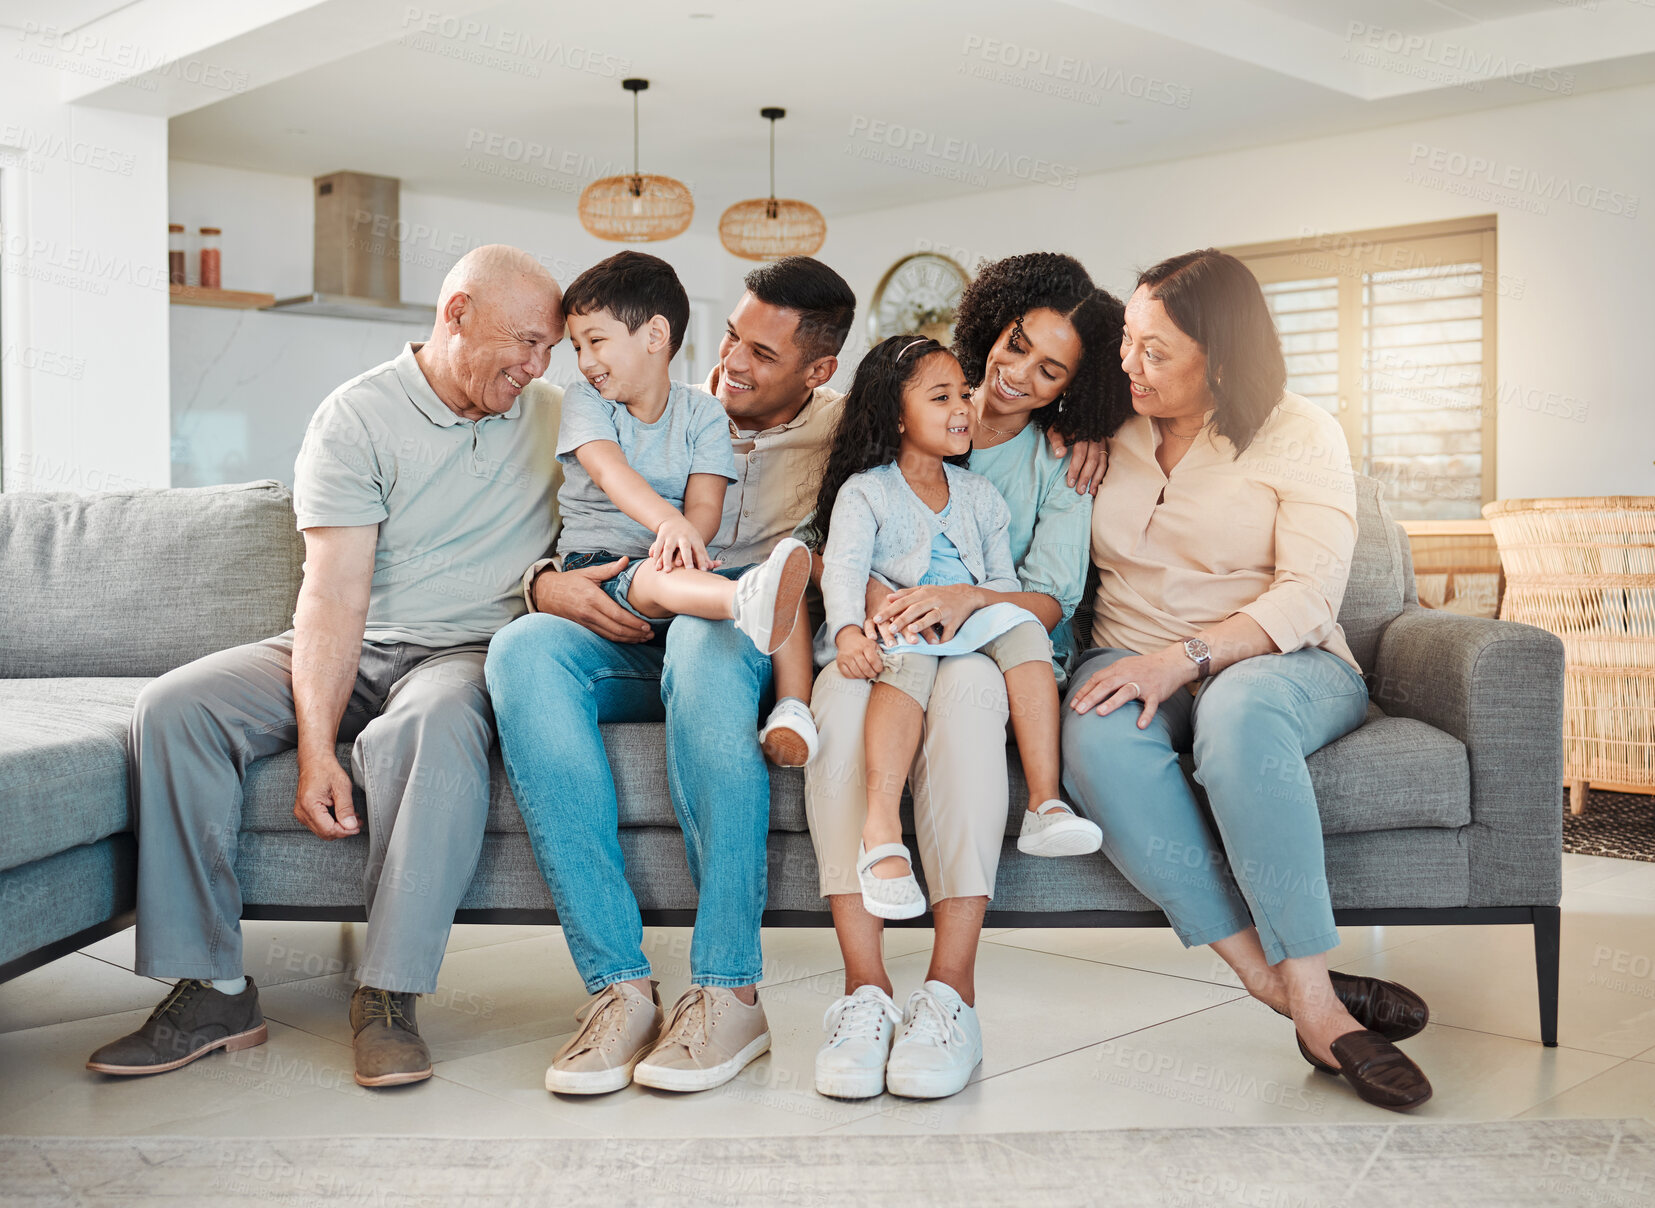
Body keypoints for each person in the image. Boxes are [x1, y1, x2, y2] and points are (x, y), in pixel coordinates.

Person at [87, 245, 566, 1088]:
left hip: (461, 653)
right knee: (174, 707)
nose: (535, 366)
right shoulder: (358, 417)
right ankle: (215, 989)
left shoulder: (556, 416)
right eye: (522, 342)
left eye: (548, 349)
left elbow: (666, 431)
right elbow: (334, 596)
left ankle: (386, 994)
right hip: (357, 633)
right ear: (455, 315)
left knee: (431, 723)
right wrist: (316, 752)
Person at [1061, 248, 1433, 1112]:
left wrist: (1185, 659)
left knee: (1234, 723)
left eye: (1156, 352)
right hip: (1127, 652)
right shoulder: (1103, 422)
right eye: (1127, 340)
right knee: (1096, 738)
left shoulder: (1298, 429)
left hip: (1278, 659)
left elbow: (1307, 593)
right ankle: (1283, 992)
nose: (1128, 365)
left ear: (1219, 360)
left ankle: (1316, 1006)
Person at [485, 257, 857, 1096]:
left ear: (818, 370)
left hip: (733, 632)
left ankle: (729, 989)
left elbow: (953, 416)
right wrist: (547, 584)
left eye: (761, 353)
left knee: (703, 637)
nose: (730, 360)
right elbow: (585, 500)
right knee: (521, 650)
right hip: (619, 606)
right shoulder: (647, 402)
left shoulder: (845, 428)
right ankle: (617, 988)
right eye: (730, 334)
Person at [804, 253, 1132, 1101]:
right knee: (842, 705)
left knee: (972, 702)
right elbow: (831, 542)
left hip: (990, 644)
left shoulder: (1061, 461)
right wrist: (869, 602)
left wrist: (964, 597)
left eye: (1049, 369)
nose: (1015, 374)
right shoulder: (896, 407)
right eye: (1015, 344)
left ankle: (950, 994)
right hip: (882, 635)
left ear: (1071, 388)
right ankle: (864, 993)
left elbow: (1052, 597)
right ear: (993, 324)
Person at [811, 335, 1102, 926]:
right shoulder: (866, 490)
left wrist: (980, 611)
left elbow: (999, 583)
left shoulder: (980, 495)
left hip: (967, 619)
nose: (964, 408)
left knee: (1024, 628)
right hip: (897, 619)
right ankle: (882, 827)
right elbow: (842, 569)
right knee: (911, 647)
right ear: (895, 414)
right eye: (941, 397)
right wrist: (847, 632)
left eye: (964, 395)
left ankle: (1045, 803)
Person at [552, 250, 811, 661]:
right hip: (600, 566)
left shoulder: (704, 412)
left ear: (656, 336)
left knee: (780, 588)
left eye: (596, 341)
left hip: (670, 564)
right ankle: (743, 602)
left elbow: (706, 503)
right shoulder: (586, 400)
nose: (585, 362)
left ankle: (793, 706)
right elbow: (610, 471)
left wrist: (687, 540)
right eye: (577, 347)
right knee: (663, 577)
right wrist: (669, 523)